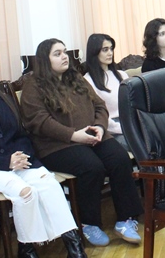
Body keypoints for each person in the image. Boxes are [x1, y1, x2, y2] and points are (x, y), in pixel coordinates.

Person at [0, 52, 87, 258]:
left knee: (49, 184)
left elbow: (22, 135)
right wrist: (6, 161)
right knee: (25, 192)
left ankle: (75, 248)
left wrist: (22, 156)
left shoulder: (5, 99)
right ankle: (28, 249)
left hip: (18, 163)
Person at [20, 38, 143, 247]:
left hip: (92, 135)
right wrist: (73, 135)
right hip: (57, 145)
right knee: (91, 167)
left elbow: (100, 106)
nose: (64, 57)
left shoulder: (75, 77)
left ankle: (125, 220)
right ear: (44, 59)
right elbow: (39, 121)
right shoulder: (33, 85)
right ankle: (89, 223)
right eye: (57, 53)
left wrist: (100, 127)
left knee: (120, 158)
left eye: (64, 52)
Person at [83, 34, 130, 150]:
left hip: (131, 122)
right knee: (143, 145)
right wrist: (126, 129)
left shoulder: (122, 75)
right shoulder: (87, 80)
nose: (110, 53)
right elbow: (97, 114)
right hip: (111, 130)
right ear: (94, 52)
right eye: (105, 50)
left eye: (111, 49)